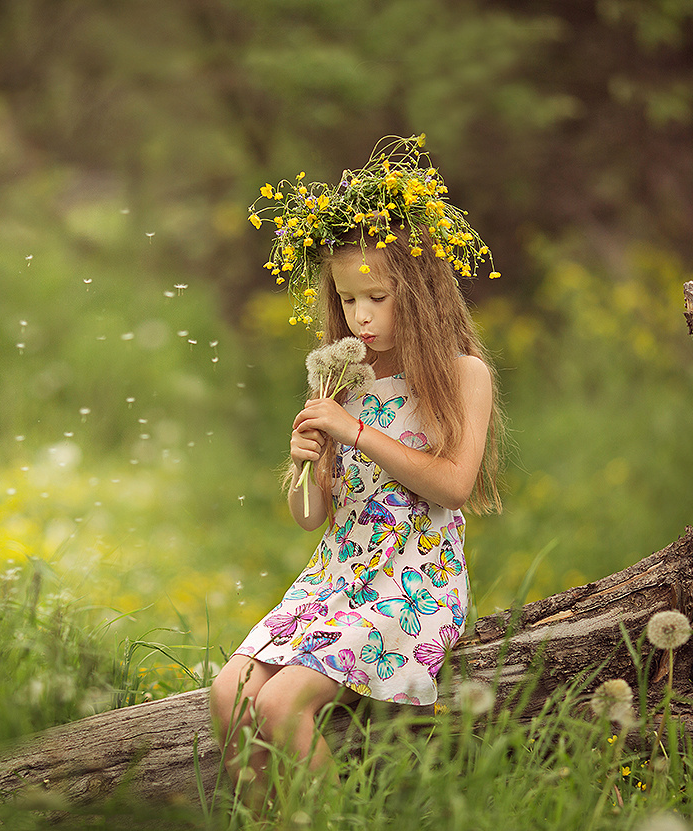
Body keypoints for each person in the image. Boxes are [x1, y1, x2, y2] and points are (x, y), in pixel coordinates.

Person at [210, 135, 504, 803]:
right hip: (333, 576)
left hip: (411, 579)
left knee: (283, 705)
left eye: (375, 296)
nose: (360, 316)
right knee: (228, 693)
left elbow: (453, 484)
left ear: (421, 293)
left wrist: (358, 432)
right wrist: (308, 466)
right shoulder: (341, 379)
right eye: (347, 300)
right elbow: (313, 518)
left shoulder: (461, 375)